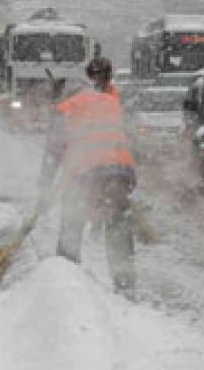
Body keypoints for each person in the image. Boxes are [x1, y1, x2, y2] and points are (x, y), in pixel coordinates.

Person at [37, 56, 137, 298]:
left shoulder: (66, 109)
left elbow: (53, 155)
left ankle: (67, 282)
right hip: (120, 171)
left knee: (72, 221)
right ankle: (125, 287)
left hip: (85, 173)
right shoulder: (111, 102)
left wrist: (44, 189)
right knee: (118, 226)